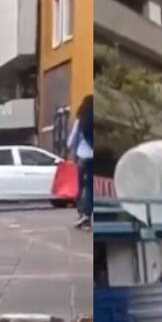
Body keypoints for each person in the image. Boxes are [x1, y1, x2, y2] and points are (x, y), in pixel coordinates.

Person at [69, 94, 94, 230]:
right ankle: (87, 215)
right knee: (90, 188)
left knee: (80, 187)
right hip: (93, 159)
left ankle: (81, 215)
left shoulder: (80, 121)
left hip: (82, 158)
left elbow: (70, 141)